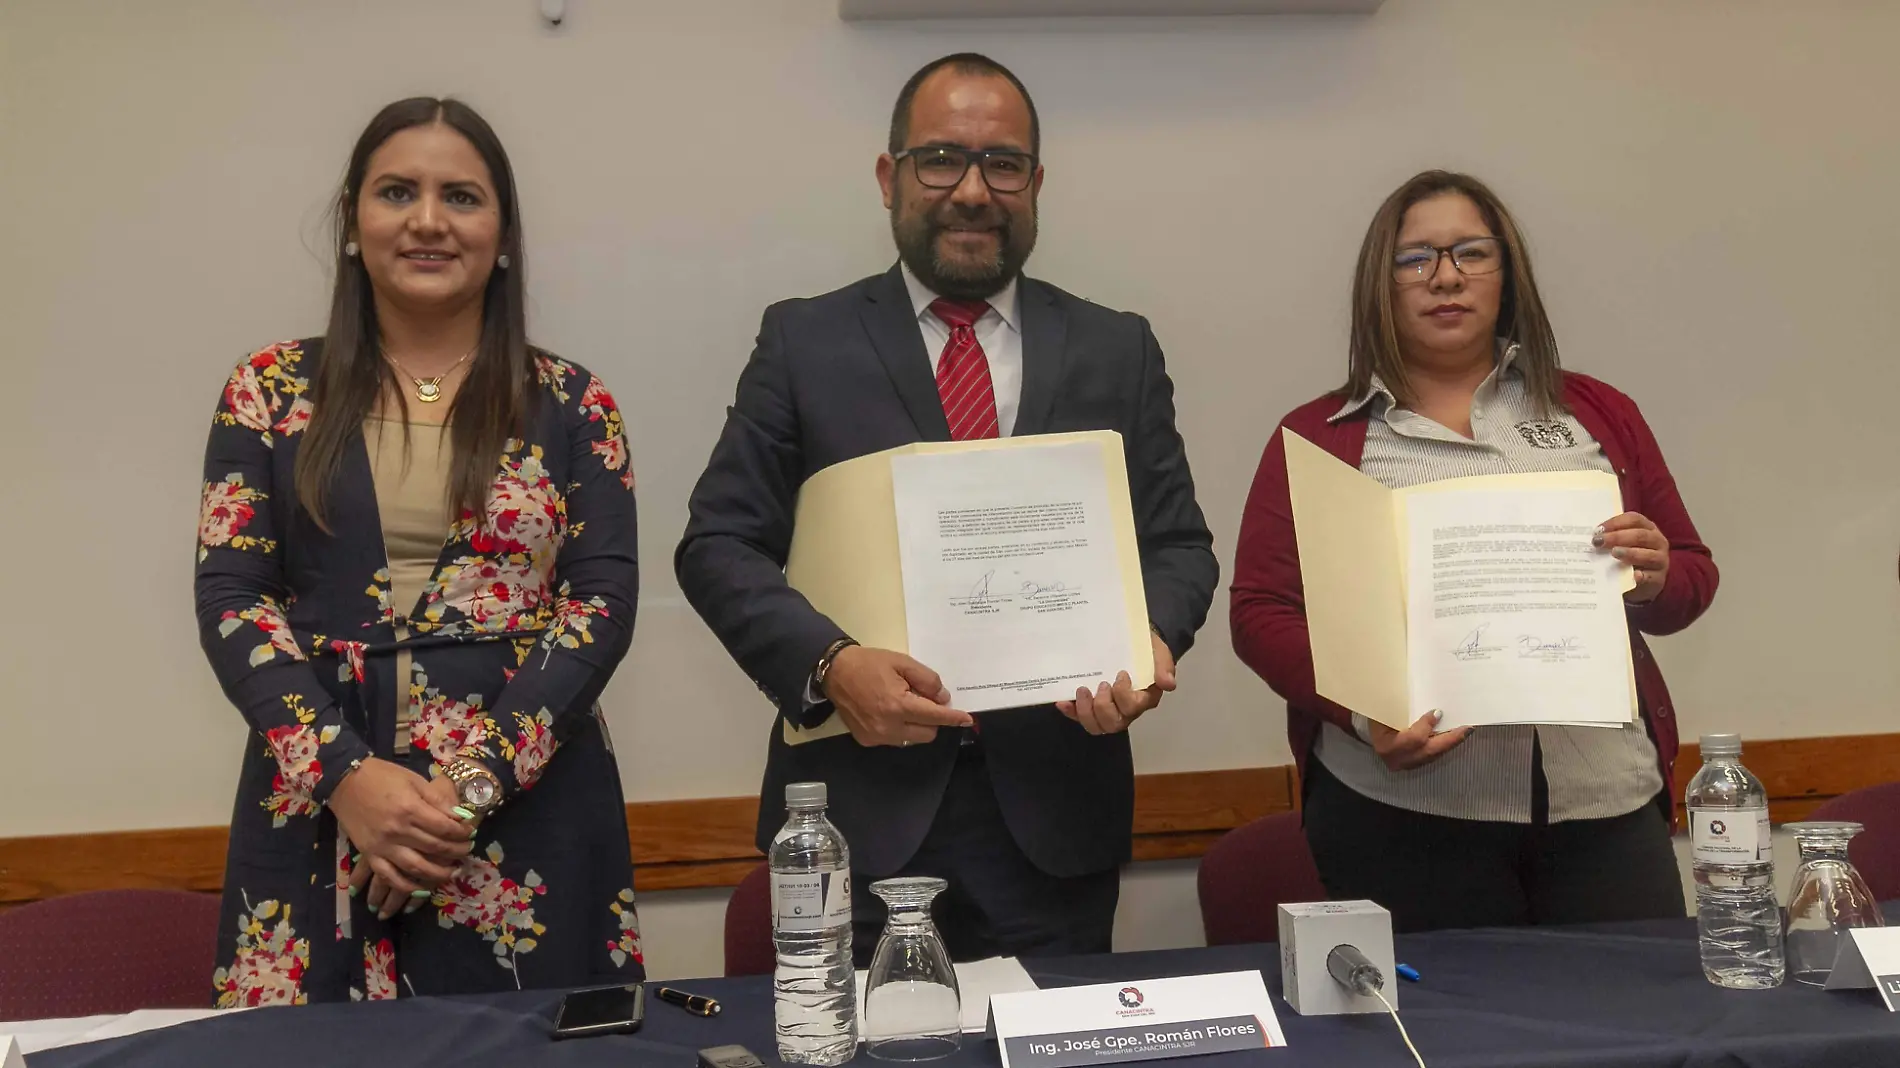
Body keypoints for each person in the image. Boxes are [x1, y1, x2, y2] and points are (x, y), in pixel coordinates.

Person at [676, 54, 1217, 962]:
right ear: (890, 178)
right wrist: (831, 664)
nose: (973, 190)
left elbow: (1179, 547)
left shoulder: (1116, 349)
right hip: (854, 816)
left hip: (1055, 826)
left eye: (1003, 164)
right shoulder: (803, 342)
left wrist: (1147, 643)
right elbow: (718, 543)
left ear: (1036, 185)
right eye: (940, 160)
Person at [195, 97, 643, 1004]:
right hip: (319, 802)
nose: (429, 220)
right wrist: (351, 783)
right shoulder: (269, 390)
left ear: (503, 233)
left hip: (528, 809)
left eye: (462, 197)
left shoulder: (573, 403)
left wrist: (458, 800)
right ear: (354, 222)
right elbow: (233, 600)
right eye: (398, 192)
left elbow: (600, 607)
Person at [1230, 171, 1716, 933]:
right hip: (1402, 812)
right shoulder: (1321, 436)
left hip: (1604, 803)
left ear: (1506, 275)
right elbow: (1262, 612)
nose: (1446, 276)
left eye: (1471, 253)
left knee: (1639, 1027)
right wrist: (1363, 717)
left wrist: (1656, 574)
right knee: (1439, 1039)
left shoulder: (1596, 413)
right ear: (1380, 286)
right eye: (1415, 258)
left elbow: (1690, 574)